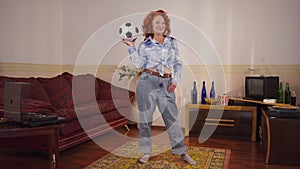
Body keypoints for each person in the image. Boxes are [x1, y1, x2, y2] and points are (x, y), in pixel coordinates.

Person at [122, 9, 196, 165]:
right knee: (145, 120)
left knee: (172, 120)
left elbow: (177, 64)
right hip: (147, 82)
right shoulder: (144, 45)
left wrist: (175, 80)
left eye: (163, 22)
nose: (160, 25)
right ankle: (146, 152)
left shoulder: (172, 42)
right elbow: (139, 64)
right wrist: (131, 46)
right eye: (157, 22)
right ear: (150, 25)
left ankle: (182, 152)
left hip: (167, 84)